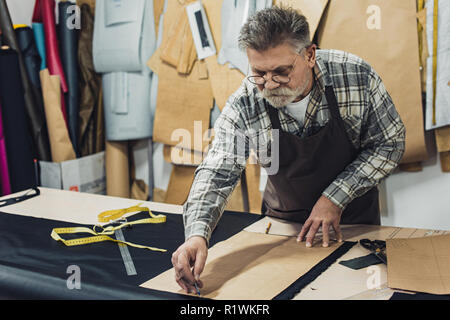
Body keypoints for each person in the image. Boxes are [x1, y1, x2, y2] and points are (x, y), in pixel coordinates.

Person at [171, 6, 405, 294]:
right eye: (259, 72)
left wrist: (335, 197)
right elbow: (218, 172)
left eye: (281, 72)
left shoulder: (355, 76)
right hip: (284, 227)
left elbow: (389, 143)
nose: (269, 84)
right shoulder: (247, 102)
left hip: (354, 223)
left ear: (309, 55)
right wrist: (197, 234)